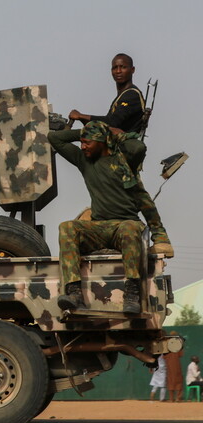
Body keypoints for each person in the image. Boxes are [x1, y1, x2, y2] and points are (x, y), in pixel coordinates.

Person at [50, 53, 173, 258]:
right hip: (113, 153)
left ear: (132, 70)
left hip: (124, 154)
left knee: (138, 193)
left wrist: (82, 117)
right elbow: (108, 125)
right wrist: (89, 131)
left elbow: (113, 122)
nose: (118, 71)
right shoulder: (122, 95)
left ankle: (160, 238)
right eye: (115, 68)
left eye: (123, 67)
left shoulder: (131, 95)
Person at [50, 121, 146, 313]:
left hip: (124, 226)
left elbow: (139, 148)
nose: (82, 146)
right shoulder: (84, 160)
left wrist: (114, 133)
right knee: (67, 227)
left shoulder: (123, 160)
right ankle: (74, 293)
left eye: (87, 142)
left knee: (130, 228)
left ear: (101, 141)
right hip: (99, 228)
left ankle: (132, 294)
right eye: (81, 142)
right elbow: (54, 138)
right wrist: (85, 132)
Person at [165, 332, 184, 402]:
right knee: (178, 381)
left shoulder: (166, 345)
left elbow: (164, 357)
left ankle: (171, 398)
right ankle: (178, 398)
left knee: (170, 381)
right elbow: (181, 354)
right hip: (176, 366)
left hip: (169, 366)